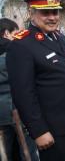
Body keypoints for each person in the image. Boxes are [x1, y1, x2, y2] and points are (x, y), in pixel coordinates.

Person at [6, 0, 65, 161]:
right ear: (31, 14)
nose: (52, 17)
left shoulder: (59, 38)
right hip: (52, 129)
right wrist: (39, 131)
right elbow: (23, 94)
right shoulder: (22, 45)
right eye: (46, 13)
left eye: (55, 12)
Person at [0, 18, 39, 161]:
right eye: (15, 33)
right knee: (27, 150)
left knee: (5, 152)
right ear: (6, 33)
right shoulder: (14, 50)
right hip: (17, 110)